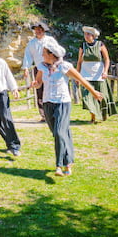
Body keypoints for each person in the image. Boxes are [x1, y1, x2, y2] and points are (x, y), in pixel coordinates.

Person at [30, 41, 103, 177]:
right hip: (47, 103)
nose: (41, 55)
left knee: (59, 133)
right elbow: (39, 83)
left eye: (44, 53)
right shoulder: (42, 67)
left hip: (62, 102)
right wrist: (35, 84)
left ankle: (59, 165)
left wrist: (94, 92)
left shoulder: (64, 66)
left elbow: (81, 79)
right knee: (60, 133)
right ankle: (69, 162)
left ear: (51, 55)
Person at [76, 26, 117, 124]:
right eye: (85, 34)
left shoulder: (100, 45)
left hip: (98, 75)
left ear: (93, 36)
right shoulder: (83, 46)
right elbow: (79, 62)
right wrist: (77, 76)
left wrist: (105, 71)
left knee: (101, 96)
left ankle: (103, 114)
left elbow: (107, 59)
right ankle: (93, 117)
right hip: (85, 75)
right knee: (87, 97)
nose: (86, 36)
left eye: (88, 34)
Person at [21, 20, 58, 121]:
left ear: (44, 31)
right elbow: (28, 56)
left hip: (51, 67)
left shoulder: (50, 40)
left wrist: (56, 64)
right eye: (36, 30)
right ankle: (43, 115)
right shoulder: (32, 43)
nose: (38, 31)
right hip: (39, 68)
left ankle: (54, 112)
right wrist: (26, 68)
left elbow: (58, 52)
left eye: (40, 30)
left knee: (52, 88)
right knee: (40, 91)